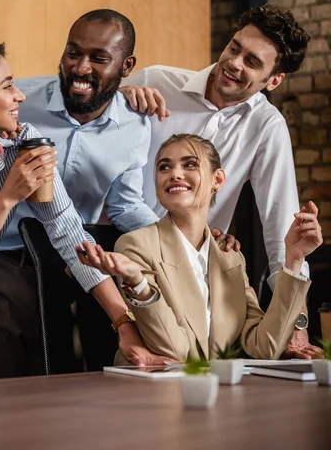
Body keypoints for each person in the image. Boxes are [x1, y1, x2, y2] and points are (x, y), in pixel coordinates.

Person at [0, 38, 160, 382]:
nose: (19, 96)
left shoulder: (23, 144)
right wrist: (7, 197)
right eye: (7, 86)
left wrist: (123, 324)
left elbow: (67, 231)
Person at [121, 4, 322, 359]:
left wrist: (298, 327)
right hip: (118, 246)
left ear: (273, 81)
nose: (234, 63)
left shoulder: (266, 126)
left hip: (190, 269)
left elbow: (282, 230)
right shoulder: (154, 82)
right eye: (234, 48)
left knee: (188, 359)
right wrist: (116, 99)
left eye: (253, 62)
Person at [78, 134, 323, 363]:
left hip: (214, 395)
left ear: (217, 180)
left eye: (190, 164)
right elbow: (175, 352)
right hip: (150, 397)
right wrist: (139, 284)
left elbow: (265, 346)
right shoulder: (135, 244)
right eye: (164, 167)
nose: (174, 174)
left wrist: (293, 259)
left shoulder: (231, 256)